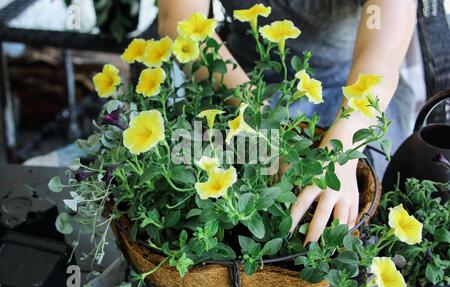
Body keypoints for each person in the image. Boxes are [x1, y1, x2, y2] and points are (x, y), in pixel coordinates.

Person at [158, 0, 417, 242]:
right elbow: (179, 21)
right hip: (234, 81)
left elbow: (384, 43)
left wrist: (343, 148)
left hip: (351, 93)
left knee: (365, 222)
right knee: (188, 208)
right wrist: (262, 121)